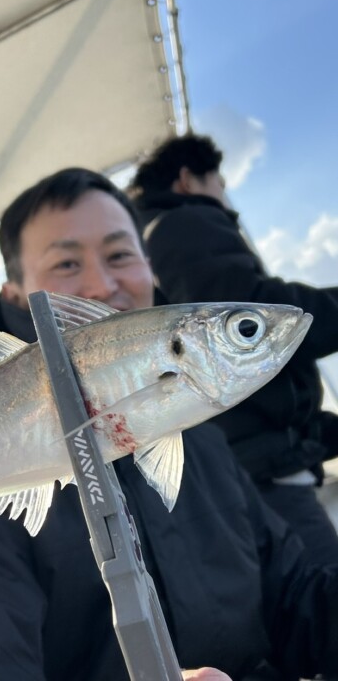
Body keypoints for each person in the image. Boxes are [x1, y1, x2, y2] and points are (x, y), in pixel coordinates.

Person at [0, 168, 338, 681]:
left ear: (149, 267)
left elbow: (300, 602)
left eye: (120, 255)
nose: (102, 284)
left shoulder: (204, 441)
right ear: (15, 295)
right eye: (66, 262)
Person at [131, 133, 338, 566]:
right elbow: (252, 319)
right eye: (219, 183)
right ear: (188, 179)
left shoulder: (156, 236)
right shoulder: (185, 224)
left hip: (250, 468)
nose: (225, 195)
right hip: (268, 477)